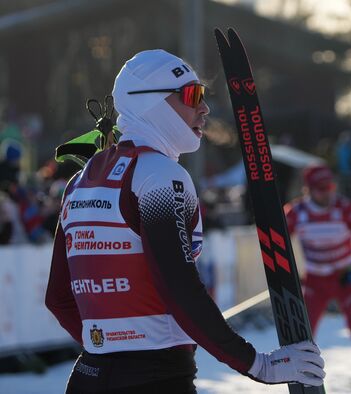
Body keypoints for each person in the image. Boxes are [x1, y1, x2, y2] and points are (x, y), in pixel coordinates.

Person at [45, 49, 325, 394]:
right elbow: (179, 288)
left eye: (203, 96)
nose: (204, 108)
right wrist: (258, 365)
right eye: (192, 96)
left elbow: (58, 298)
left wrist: (109, 348)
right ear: (151, 104)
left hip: (90, 377)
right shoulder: (160, 176)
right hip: (156, 380)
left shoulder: (79, 181)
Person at [284, 164, 351, 394]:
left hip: (345, 280)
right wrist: (290, 275)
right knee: (304, 341)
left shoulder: (345, 208)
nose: (328, 193)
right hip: (316, 282)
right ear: (308, 189)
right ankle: (309, 389)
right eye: (321, 189)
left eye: (330, 187)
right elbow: (278, 247)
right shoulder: (296, 212)